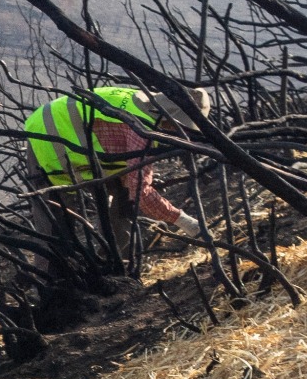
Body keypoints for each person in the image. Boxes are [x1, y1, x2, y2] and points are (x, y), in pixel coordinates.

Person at [23, 84, 202, 277]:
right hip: (46, 137)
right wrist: (185, 222)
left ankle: (115, 268)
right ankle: (53, 285)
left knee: (124, 201)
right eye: (182, 127)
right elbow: (142, 193)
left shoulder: (144, 101)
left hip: (94, 146)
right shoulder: (141, 131)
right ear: (169, 120)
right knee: (54, 222)